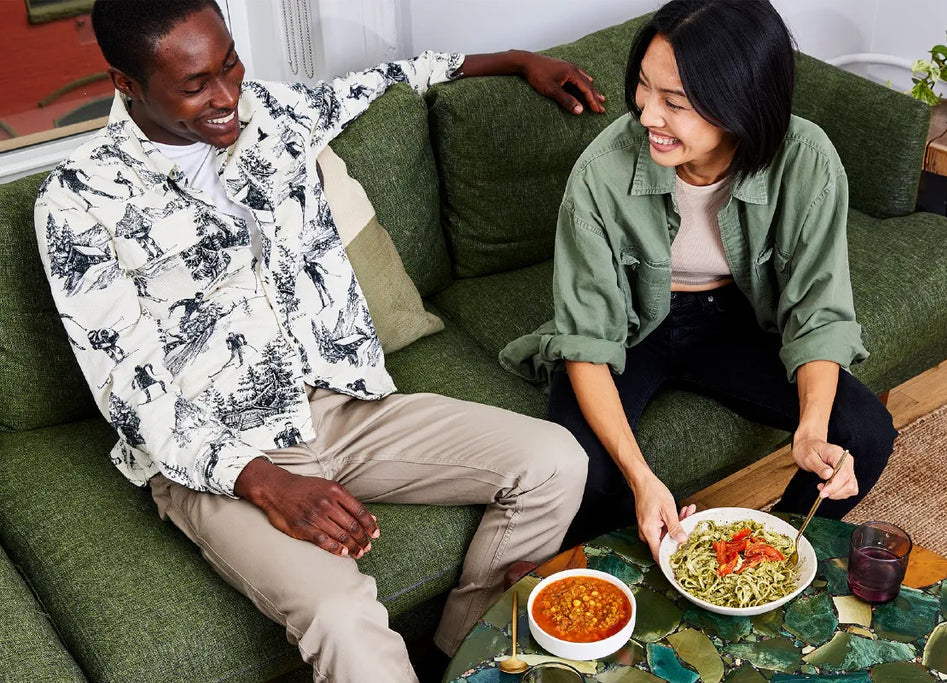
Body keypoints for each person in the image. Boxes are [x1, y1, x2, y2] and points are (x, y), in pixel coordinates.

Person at [35, 1, 607, 680]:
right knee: (338, 612)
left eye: (230, 65)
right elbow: (130, 394)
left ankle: (463, 662)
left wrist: (515, 61)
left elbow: (387, 79)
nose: (227, 97)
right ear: (126, 83)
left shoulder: (273, 114)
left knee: (556, 460)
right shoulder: (75, 203)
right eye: (195, 86)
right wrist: (265, 480)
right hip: (218, 457)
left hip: (339, 404)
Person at [500, 0, 898, 559]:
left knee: (864, 431)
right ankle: (659, 564)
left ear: (742, 106)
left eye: (675, 103)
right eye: (644, 88)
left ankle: (760, 555)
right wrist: (642, 478)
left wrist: (811, 432)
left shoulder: (808, 159)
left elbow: (819, 313)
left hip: (740, 321)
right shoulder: (601, 173)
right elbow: (587, 342)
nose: (646, 117)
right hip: (636, 326)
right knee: (585, 472)